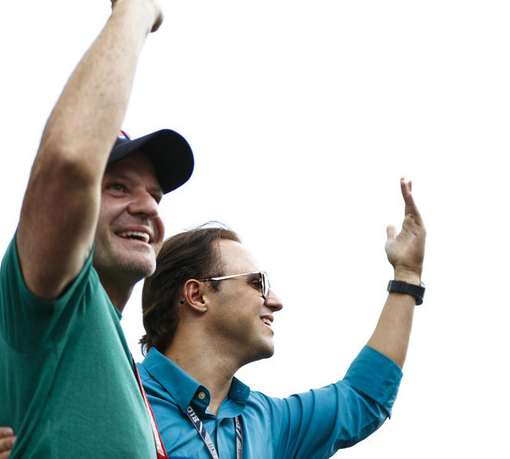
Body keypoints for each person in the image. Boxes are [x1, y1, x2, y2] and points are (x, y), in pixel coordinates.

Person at [0, 0, 193, 459]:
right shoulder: (52, 301)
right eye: (117, 187)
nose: (150, 207)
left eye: (155, 194)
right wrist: (135, 7)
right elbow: (67, 163)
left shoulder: (114, 354)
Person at [138, 177, 426, 458]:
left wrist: (407, 276)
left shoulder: (268, 423)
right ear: (197, 296)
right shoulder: (119, 393)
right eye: (257, 284)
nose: (276, 302)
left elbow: (362, 396)